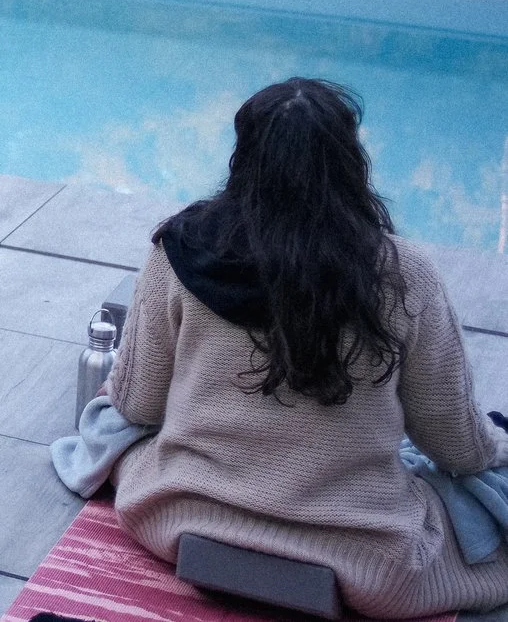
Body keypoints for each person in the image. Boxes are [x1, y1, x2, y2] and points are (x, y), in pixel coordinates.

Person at [109, 78, 508, 620]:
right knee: (484, 498)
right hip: (367, 561)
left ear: (244, 158)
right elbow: (456, 445)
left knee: (108, 432)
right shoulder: (404, 274)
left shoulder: (181, 251)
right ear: (349, 163)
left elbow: (137, 405)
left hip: (184, 516)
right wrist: (495, 448)